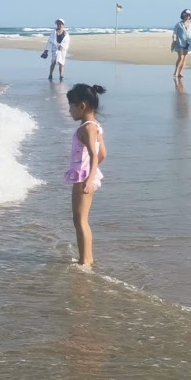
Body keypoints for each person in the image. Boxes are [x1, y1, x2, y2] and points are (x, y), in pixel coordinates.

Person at [65, 83, 108, 267]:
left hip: (83, 179)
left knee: (80, 220)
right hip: (86, 176)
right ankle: (87, 258)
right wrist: (93, 172)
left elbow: (93, 154)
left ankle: (85, 261)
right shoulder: (95, 126)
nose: (69, 110)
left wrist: (88, 179)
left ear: (82, 106)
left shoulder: (87, 128)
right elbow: (102, 154)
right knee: (81, 219)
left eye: (71, 106)